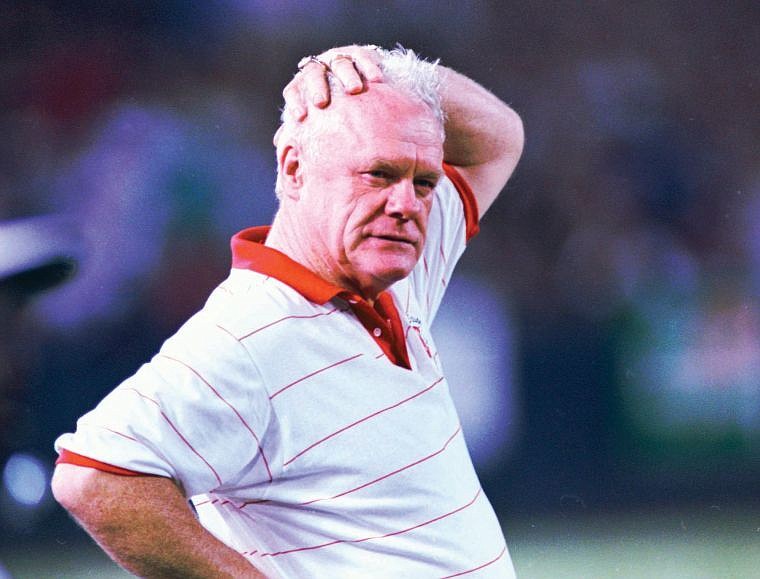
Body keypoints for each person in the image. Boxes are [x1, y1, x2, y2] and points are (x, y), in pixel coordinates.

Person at [51, 44, 524, 578]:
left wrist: (377, 65)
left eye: (423, 181)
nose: (406, 204)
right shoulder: (249, 336)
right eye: (377, 174)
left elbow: (498, 139)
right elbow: (92, 479)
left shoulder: (394, 271)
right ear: (294, 168)